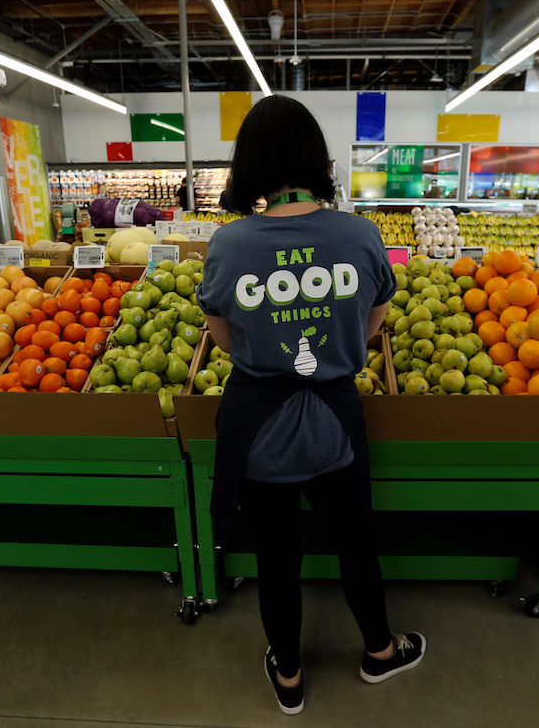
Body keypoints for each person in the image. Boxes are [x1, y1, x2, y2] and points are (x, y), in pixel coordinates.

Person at [196, 95, 425, 716]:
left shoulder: (231, 246)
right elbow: (374, 324)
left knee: (277, 558)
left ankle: (290, 676)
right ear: (316, 160)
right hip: (334, 425)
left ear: (249, 166)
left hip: (260, 427)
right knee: (355, 542)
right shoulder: (360, 235)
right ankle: (380, 651)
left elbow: (222, 338)